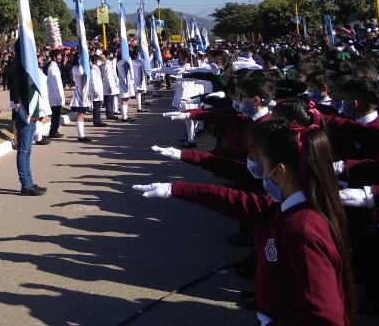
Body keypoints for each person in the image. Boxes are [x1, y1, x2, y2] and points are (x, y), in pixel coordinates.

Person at [134, 119, 357, 325]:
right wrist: (174, 189)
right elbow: (236, 201)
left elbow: (325, 316)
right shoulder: (288, 209)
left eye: (265, 164)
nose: (261, 171)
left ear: (280, 171)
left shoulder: (302, 227)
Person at [10, 39, 47, 196]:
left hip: (28, 115)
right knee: (24, 152)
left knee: (26, 152)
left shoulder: (22, 67)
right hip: (26, 116)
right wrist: (31, 114)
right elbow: (25, 93)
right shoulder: (22, 69)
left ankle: (29, 182)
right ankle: (26, 184)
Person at [70, 52, 93, 142]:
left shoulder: (79, 67)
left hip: (84, 92)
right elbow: (81, 72)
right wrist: (81, 62)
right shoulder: (75, 68)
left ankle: (82, 134)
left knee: (82, 115)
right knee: (79, 114)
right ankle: (80, 135)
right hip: (79, 94)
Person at [46, 50, 65, 138]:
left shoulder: (55, 67)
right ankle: (53, 131)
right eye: (58, 56)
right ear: (54, 57)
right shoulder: (52, 68)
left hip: (57, 95)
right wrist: (58, 96)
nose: (60, 57)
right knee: (55, 115)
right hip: (55, 95)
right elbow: (54, 84)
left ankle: (55, 130)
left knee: (57, 114)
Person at [116, 48, 135, 123]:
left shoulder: (122, 62)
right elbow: (127, 59)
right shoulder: (120, 62)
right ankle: (124, 117)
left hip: (126, 82)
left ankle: (125, 115)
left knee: (126, 99)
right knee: (123, 99)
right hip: (122, 83)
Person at [89, 54, 106, 127]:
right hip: (96, 90)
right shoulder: (93, 70)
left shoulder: (96, 68)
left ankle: (98, 121)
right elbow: (93, 81)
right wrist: (95, 90)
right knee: (96, 107)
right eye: (98, 60)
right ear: (95, 61)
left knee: (98, 106)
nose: (100, 62)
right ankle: (96, 122)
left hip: (98, 89)